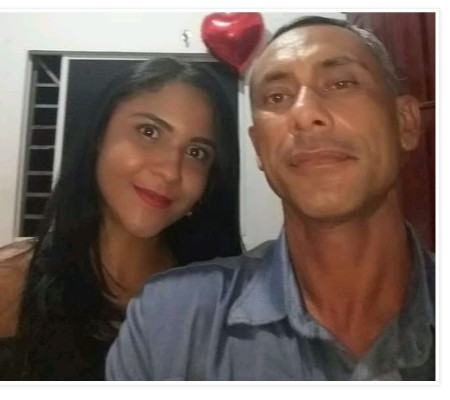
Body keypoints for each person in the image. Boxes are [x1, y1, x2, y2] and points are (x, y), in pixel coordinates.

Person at [106, 16, 435, 381]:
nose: (304, 114)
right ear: (259, 147)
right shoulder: (168, 324)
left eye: (342, 83)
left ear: (405, 123)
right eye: (277, 97)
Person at [0, 57, 242, 380]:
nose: (170, 171)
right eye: (149, 131)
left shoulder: (219, 298)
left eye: (196, 152)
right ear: (99, 135)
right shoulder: (11, 283)